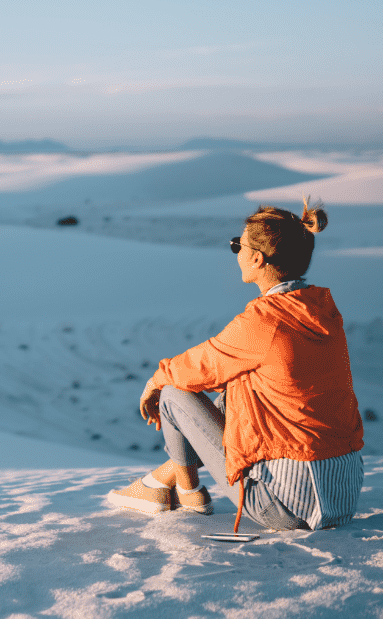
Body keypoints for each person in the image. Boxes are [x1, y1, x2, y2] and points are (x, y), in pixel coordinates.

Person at [106, 198, 363, 532]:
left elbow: (198, 366)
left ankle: (189, 494)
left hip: (284, 508)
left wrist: (154, 383)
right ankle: (158, 482)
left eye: (236, 245)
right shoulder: (323, 312)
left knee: (172, 393)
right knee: (239, 391)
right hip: (341, 498)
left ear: (256, 258)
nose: (236, 252)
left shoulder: (264, 321)